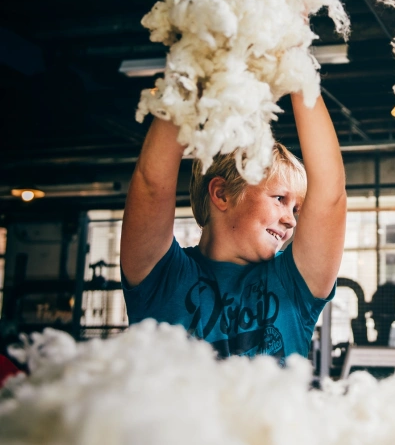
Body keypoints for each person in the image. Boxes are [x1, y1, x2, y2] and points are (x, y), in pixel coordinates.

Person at [120, 92, 346, 362]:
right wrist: (190, 74)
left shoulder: (293, 284)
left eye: (296, 209)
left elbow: (330, 197)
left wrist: (299, 79)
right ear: (222, 194)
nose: (292, 220)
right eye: (279, 199)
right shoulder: (163, 279)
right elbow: (151, 186)